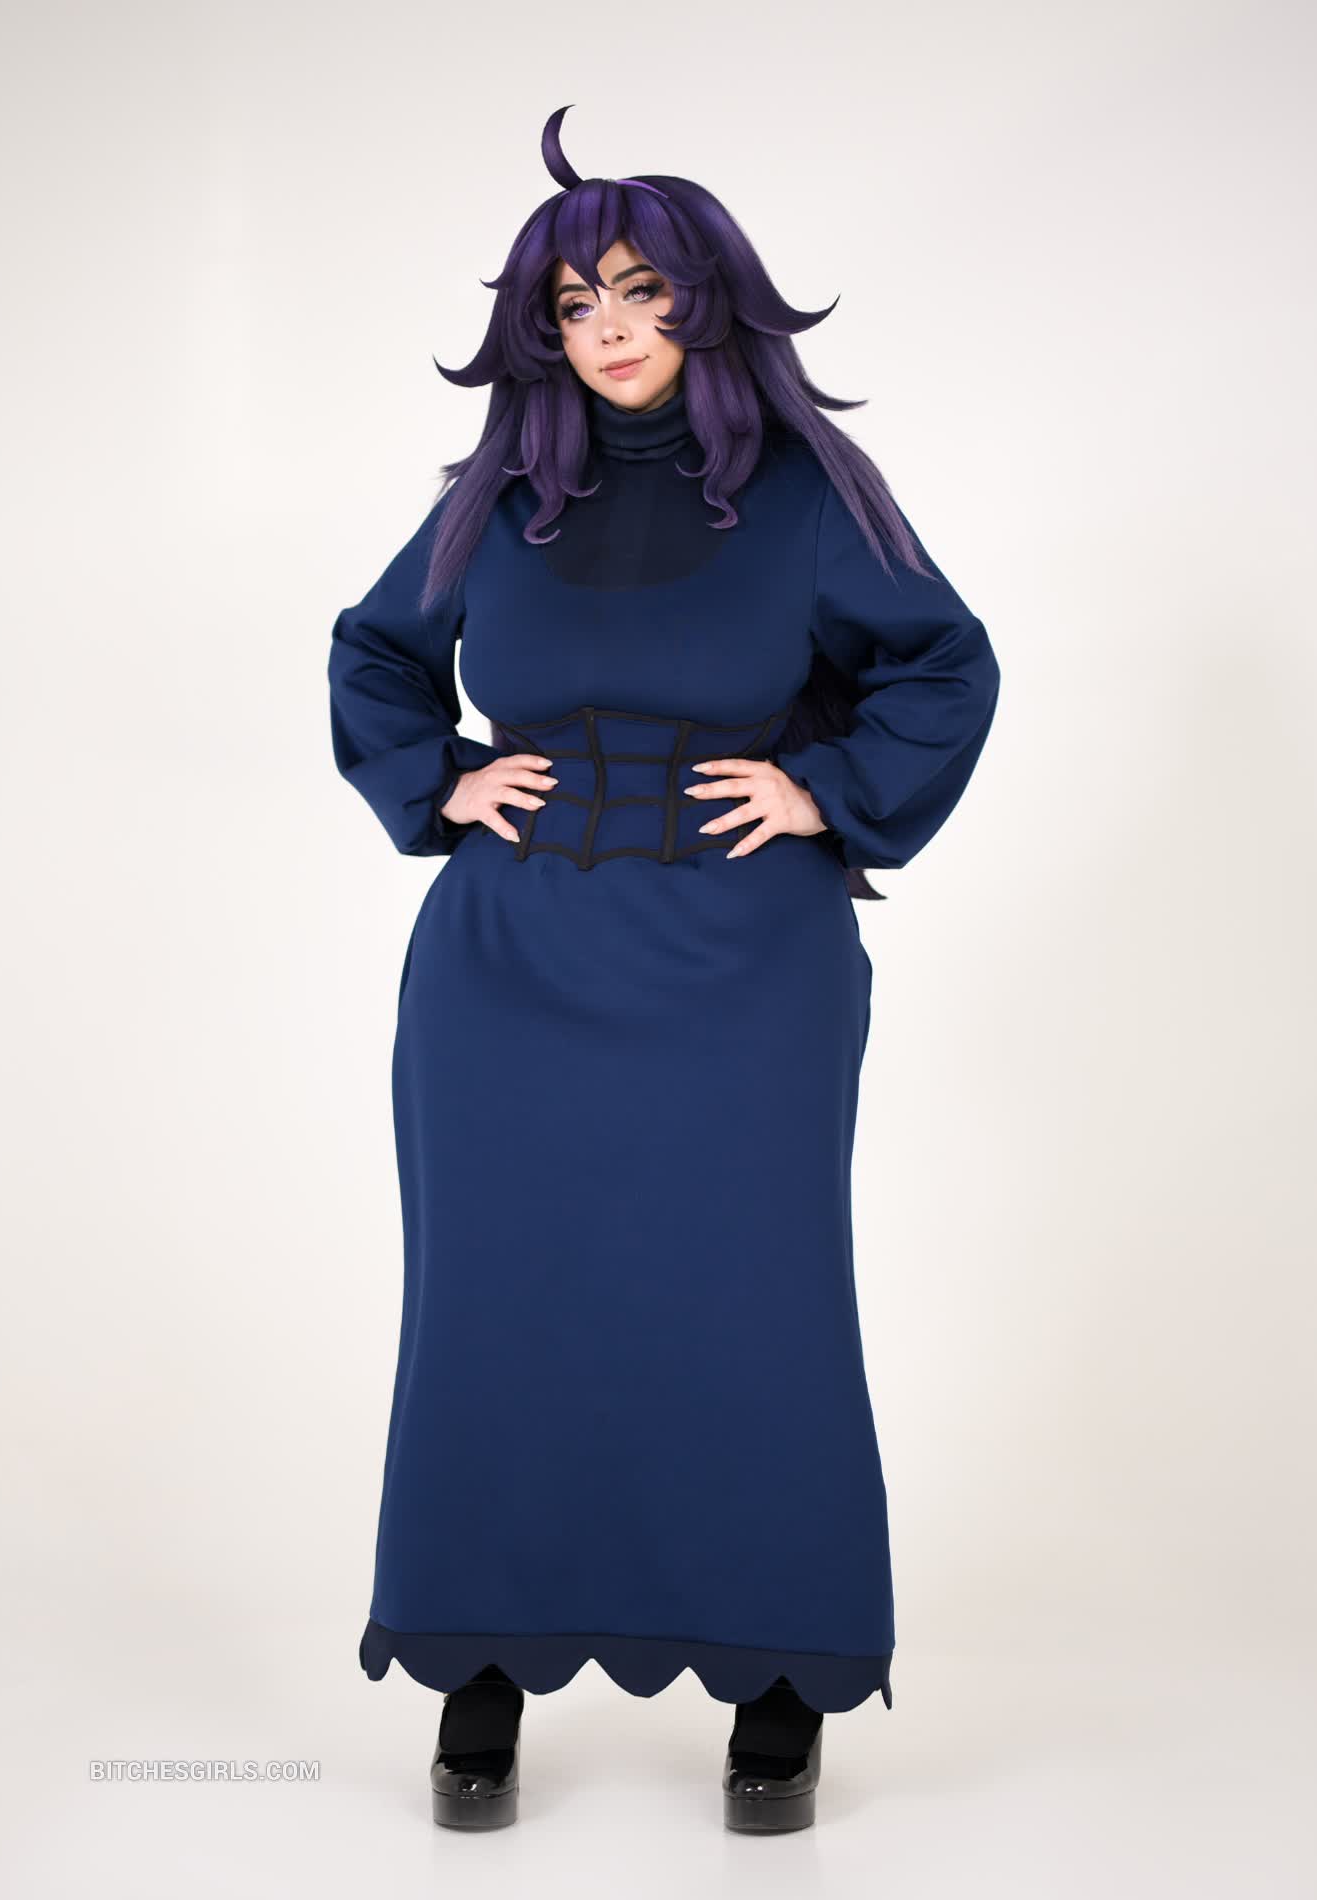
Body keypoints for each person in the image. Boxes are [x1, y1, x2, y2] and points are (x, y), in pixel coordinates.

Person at [327, 104, 1001, 1834]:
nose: (609, 326)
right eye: (574, 304)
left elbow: (944, 663)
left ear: (710, 305)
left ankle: (781, 1677)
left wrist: (827, 790)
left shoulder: (809, 500)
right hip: (507, 967)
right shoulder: (492, 506)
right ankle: (479, 1665)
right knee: (495, 1306)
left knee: (757, 1306)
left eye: (640, 292)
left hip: (747, 970)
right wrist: (437, 782)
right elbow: (376, 654)